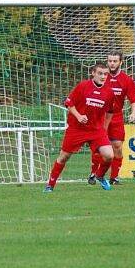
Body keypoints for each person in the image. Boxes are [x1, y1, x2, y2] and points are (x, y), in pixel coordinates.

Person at [44, 62, 115, 192]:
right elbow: (69, 103)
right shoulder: (83, 86)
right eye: (100, 73)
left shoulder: (109, 92)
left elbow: (110, 111)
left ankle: (99, 176)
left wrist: (104, 127)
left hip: (96, 130)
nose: (103, 76)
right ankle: (50, 185)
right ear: (93, 73)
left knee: (109, 155)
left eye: (105, 74)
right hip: (77, 129)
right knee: (63, 157)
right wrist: (79, 116)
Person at [89, 51, 135, 185]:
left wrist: (133, 113)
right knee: (98, 147)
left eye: (115, 61)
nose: (112, 63)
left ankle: (114, 177)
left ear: (120, 62)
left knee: (117, 146)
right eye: (110, 61)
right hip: (100, 116)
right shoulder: (100, 77)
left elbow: (134, 99)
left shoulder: (126, 80)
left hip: (116, 116)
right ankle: (93, 174)